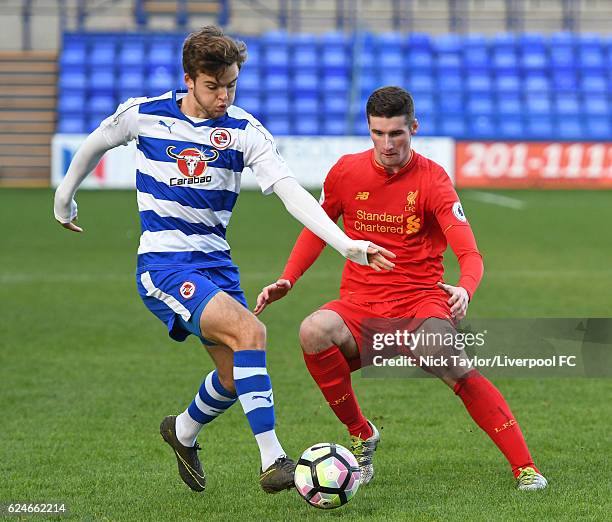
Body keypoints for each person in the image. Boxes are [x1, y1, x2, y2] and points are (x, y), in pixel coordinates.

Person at [53, 26, 395, 494]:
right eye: (213, 86)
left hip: (217, 263)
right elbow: (95, 142)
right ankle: (273, 459)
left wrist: (347, 245)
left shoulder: (243, 131)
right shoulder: (145, 115)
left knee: (235, 375)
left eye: (231, 84)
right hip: (165, 264)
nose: (223, 95)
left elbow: (291, 193)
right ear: (189, 79)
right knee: (252, 332)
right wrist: (64, 197)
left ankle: (183, 431)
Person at [254, 86, 548, 491]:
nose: (387, 144)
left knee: (451, 360)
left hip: (420, 303)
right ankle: (362, 434)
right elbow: (317, 230)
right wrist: (289, 277)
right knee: (312, 330)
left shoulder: (433, 180)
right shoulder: (345, 172)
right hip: (359, 304)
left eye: (396, 134)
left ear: (414, 128)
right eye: (378, 133)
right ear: (368, 130)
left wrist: (465, 289)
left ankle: (525, 467)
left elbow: (471, 254)